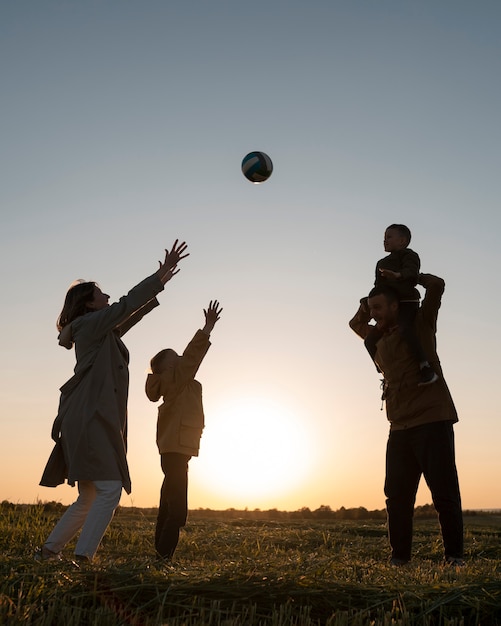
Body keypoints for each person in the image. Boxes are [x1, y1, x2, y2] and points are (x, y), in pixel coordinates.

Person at [38, 240, 189, 563]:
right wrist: (159, 276)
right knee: (109, 490)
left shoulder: (98, 330)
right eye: (101, 295)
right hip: (90, 417)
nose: (107, 297)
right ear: (90, 305)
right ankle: (83, 559)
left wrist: (156, 291)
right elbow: (124, 306)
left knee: (90, 495)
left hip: (86, 417)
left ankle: (48, 553)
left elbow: (126, 316)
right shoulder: (91, 326)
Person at [349, 273, 464, 566]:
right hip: (398, 425)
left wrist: (410, 279)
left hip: (432, 419)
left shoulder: (420, 326)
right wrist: (365, 306)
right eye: (371, 309)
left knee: (443, 493)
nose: (374, 315)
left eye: (378, 308)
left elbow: (436, 286)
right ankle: (399, 558)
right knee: (396, 497)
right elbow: (355, 324)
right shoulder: (376, 335)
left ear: (395, 306)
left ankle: (454, 556)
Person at [145, 300, 222, 560]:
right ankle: (164, 557)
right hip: (176, 448)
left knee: (168, 503)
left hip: (176, 448)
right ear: (168, 367)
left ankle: (160, 556)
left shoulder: (178, 381)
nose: (181, 358)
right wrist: (207, 328)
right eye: (175, 357)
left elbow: (187, 361)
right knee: (177, 510)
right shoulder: (175, 379)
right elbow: (192, 357)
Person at [363, 224, 437, 386]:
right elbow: (378, 286)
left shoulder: (409, 255)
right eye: (384, 237)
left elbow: (412, 273)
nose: (385, 240)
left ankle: (425, 367)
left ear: (402, 241)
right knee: (369, 341)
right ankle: (384, 371)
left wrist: (397, 275)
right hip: (389, 307)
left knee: (404, 329)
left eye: (389, 237)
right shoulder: (381, 263)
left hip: (407, 303)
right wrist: (372, 301)